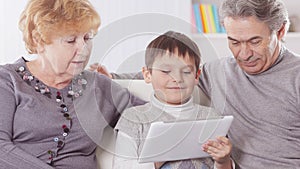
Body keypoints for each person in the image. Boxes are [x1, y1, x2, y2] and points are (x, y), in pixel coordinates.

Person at [90, 0, 300, 168]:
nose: (244, 54)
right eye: (234, 42)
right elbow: (171, 72)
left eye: (255, 41)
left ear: (280, 32)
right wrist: (112, 77)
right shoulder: (219, 71)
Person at [0, 0, 145, 169]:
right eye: (70, 40)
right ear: (39, 40)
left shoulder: (99, 87)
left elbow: (154, 119)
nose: (83, 48)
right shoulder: (8, 80)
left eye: (87, 38)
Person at [112, 31, 234, 169]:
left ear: (196, 76)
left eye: (186, 72)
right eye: (166, 71)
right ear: (147, 74)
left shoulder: (211, 118)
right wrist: (159, 159)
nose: (177, 78)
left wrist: (223, 161)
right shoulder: (134, 118)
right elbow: (122, 166)